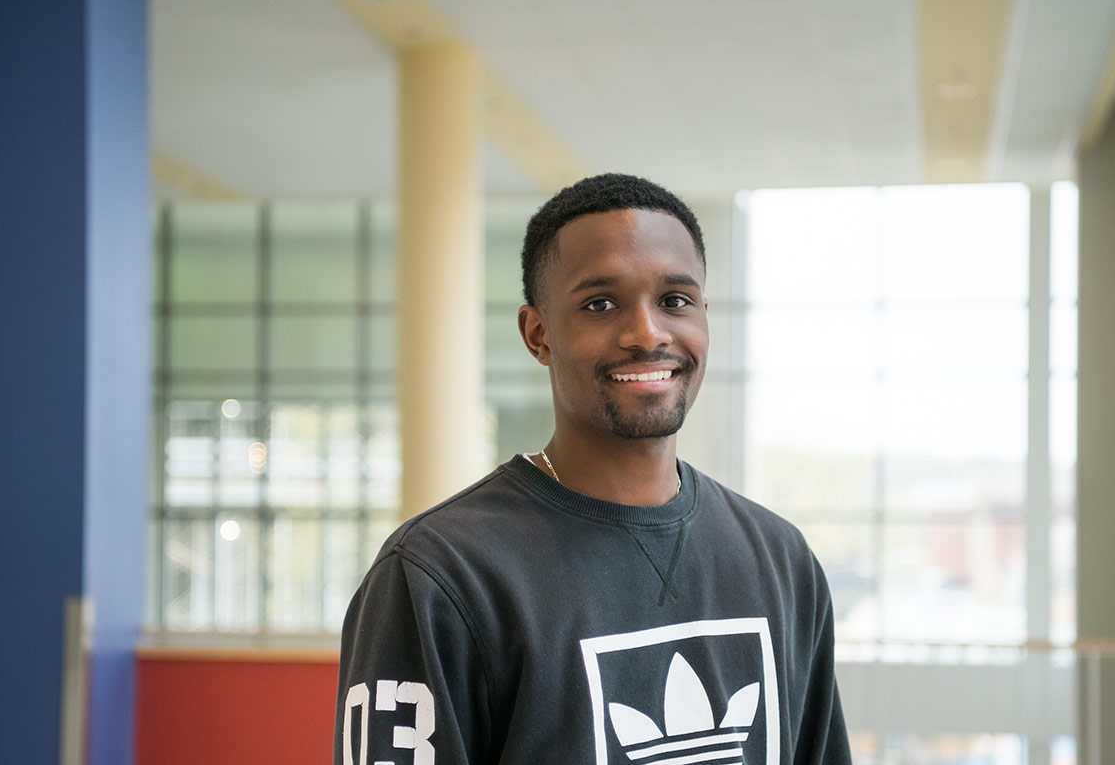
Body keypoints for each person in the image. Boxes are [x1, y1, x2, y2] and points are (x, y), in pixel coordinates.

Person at [334, 173, 851, 764]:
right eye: (600, 304)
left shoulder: (781, 560)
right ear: (539, 334)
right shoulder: (441, 573)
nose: (647, 333)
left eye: (675, 301)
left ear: (705, 316)